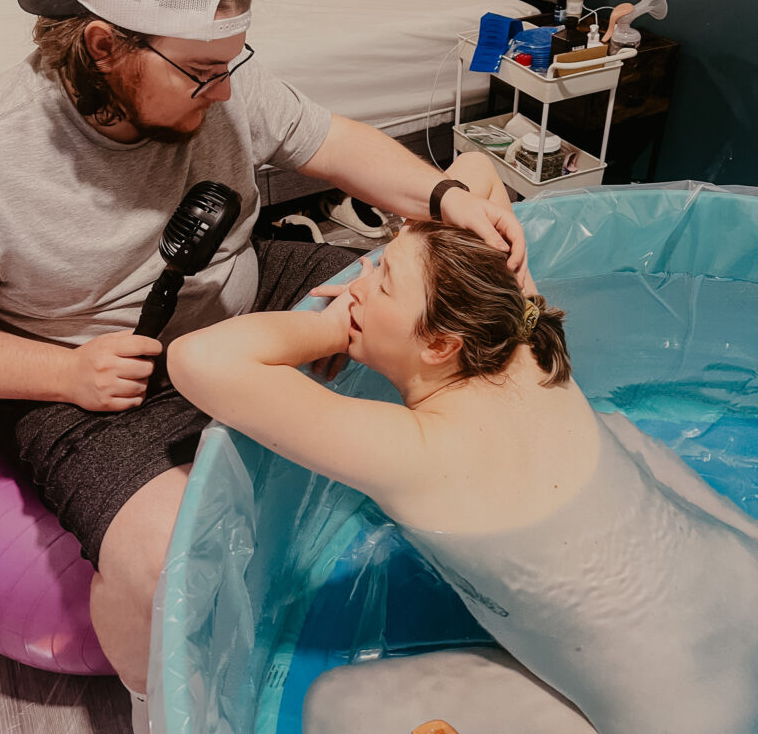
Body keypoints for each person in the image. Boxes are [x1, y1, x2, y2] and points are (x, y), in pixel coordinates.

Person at [0, 0, 527, 728]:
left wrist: (450, 195)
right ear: (104, 47)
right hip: (95, 379)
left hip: (244, 285)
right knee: (172, 556)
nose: (228, 89)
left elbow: (336, 141)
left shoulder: (219, 81)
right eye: (202, 72)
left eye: (232, 60)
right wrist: (61, 371)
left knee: (445, 307)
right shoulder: (4, 151)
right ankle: (155, 704)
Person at [168, 152, 758, 734]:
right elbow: (477, 172)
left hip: (682, 719)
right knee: (619, 433)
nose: (356, 284)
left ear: (440, 345)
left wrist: (322, 329)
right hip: (741, 582)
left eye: (382, 280)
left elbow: (196, 358)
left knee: (334, 703)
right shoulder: (524, 333)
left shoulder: (419, 451)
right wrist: (409, 259)